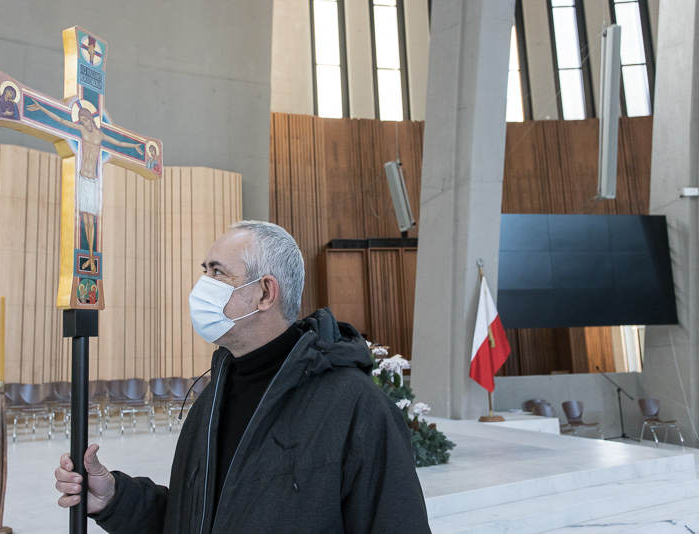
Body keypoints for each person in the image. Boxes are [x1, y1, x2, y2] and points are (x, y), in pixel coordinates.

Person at [54, 220, 431, 533]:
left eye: (217, 272)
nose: (202, 286)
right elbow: (196, 518)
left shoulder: (356, 407)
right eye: (204, 271)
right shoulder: (213, 397)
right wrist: (116, 499)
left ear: (265, 293)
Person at [25, 99, 143, 274]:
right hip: (83, 177)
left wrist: (136, 146)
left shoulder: (100, 135)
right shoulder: (81, 130)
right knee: (84, 219)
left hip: (93, 181)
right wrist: (41, 107)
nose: (84, 123)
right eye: (82, 120)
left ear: (91, 119)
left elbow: (118, 143)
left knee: (91, 220)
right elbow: (61, 120)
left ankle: (91, 258)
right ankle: (89, 258)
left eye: (86, 119)